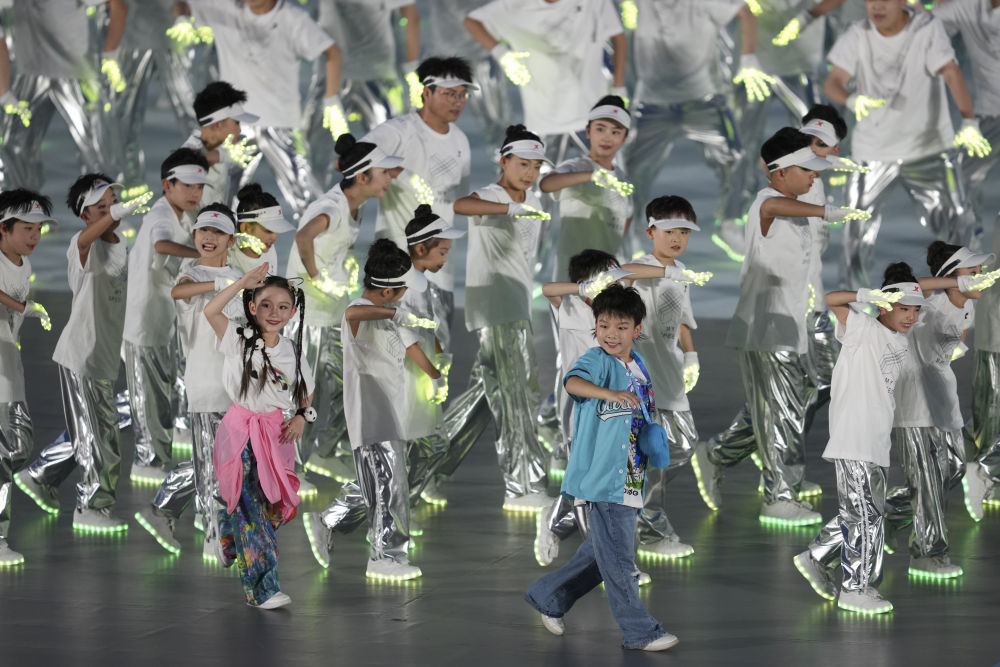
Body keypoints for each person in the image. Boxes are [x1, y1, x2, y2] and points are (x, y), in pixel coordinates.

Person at [693, 128, 865, 523]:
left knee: (784, 406)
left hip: (787, 323)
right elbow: (774, 207)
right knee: (785, 412)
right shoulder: (766, 203)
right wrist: (825, 212)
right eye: (807, 170)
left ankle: (719, 453)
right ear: (781, 171)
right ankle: (779, 496)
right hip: (769, 325)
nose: (814, 176)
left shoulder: (794, 207)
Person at [791, 263, 970, 613]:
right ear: (885, 305)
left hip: (876, 441)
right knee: (865, 517)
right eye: (904, 309)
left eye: (915, 310)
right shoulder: (863, 328)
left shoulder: (899, 340)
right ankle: (855, 588)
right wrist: (866, 296)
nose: (911, 316)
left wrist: (954, 284)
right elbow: (832, 299)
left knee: (867, 513)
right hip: (855, 437)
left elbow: (919, 291)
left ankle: (819, 557)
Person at [524, 284, 678, 652]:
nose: (611, 334)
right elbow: (573, 382)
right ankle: (640, 632)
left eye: (621, 327)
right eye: (604, 325)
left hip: (631, 476)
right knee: (621, 561)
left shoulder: (638, 364)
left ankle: (548, 596)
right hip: (604, 477)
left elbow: (640, 412)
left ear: (636, 330)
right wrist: (609, 393)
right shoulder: (597, 360)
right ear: (595, 327)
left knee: (600, 555)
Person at [824, 0, 991, 287]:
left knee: (958, 218)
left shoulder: (926, 28)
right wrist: (851, 99)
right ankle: (855, 299)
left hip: (928, 148)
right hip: (873, 150)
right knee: (855, 228)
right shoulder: (857, 34)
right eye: (871, 0)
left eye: (885, 0)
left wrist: (969, 121)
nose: (877, 7)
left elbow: (951, 71)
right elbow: (833, 81)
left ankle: (957, 290)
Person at [288, 134, 402, 485]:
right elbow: (303, 237)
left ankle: (325, 452)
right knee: (305, 391)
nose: (390, 178)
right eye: (384, 173)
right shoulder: (333, 206)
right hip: (309, 313)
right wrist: (317, 277)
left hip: (333, 309)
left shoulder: (357, 205)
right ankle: (291, 468)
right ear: (362, 176)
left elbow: (342, 246)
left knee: (345, 381)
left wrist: (346, 270)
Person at [134, 204, 244, 556]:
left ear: (231, 240)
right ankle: (214, 537)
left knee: (223, 462)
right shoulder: (191, 273)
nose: (209, 238)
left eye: (218, 232)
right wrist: (225, 284)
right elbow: (178, 292)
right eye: (203, 231)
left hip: (237, 386)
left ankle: (162, 510)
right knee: (213, 465)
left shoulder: (238, 275)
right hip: (206, 382)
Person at [452, 124, 551, 510]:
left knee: (485, 397)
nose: (530, 172)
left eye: (536, 166)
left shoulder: (535, 200)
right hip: (495, 307)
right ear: (503, 161)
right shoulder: (491, 196)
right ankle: (521, 486)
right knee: (515, 397)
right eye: (523, 164)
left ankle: (420, 467)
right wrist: (507, 208)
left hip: (516, 305)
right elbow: (462, 206)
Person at [205, 264, 315, 610]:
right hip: (241, 432)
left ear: (293, 312)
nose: (274, 312)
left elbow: (305, 391)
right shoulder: (237, 339)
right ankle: (263, 589)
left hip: (275, 435)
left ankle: (228, 532)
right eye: (265, 304)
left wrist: (302, 416)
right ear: (252, 306)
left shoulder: (292, 350)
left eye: (283, 306)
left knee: (276, 507)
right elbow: (211, 311)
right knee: (252, 509)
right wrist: (242, 283)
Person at [885, 241, 998, 575]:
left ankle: (889, 513)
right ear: (952, 276)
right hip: (914, 405)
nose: (980, 276)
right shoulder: (925, 305)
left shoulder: (968, 307)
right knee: (928, 481)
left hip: (943, 403)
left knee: (954, 469)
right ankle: (928, 554)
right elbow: (912, 286)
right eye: (972, 271)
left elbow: (950, 347)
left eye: (980, 271)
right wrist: (956, 283)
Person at [321, 239, 429, 580]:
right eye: (402, 291)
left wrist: (435, 374)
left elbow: (408, 347)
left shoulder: (387, 314)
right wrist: (394, 313)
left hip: (390, 413)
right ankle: (383, 556)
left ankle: (331, 521)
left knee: (387, 485)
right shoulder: (361, 309)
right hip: (370, 415)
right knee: (386, 487)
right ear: (387, 291)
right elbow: (352, 314)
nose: (404, 297)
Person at [176, 0, 342, 218]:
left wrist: (331, 100)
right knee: (223, 198)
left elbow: (332, 52)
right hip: (237, 125)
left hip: (281, 123)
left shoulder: (293, 19)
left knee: (306, 196)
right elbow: (184, 4)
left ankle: (325, 237)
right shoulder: (225, 8)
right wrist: (182, 20)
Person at [624, 0, 759, 262]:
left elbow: (746, 13)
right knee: (630, 170)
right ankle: (629, 232)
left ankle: (729, 222)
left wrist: (748, 60)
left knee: (736, 159)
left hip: (703, 100)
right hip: (653, 103)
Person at [623, 196, 714, 560]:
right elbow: (620, 273)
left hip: (672, 376)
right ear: (650, 232)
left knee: (684, 444)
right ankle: (649, 530)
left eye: (684, 233)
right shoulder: (642, 267)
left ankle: (632, 509)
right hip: (642, 379)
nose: (677, 239)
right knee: (655, 453)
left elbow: (682, 322)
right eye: (669, 231)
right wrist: (666, 273)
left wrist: (691, 355)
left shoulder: (682, 272)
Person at [361, 55, 474, 323]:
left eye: (462, 95)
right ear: (427, 92)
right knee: (394, 344)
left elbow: (459, 201)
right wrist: (403, 175)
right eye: (450, 94)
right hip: (395, 272)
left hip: (440, 272)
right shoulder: (399, 131)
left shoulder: (461, 140)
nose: (458, 101)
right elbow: (356, 155)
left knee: (438, 346)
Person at [122, 148, 208, 482]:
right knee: (145, 393)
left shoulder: (183, 215)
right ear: (166, 185)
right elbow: (161, 245)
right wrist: (199, 252)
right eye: (187, 186)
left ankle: (156, 455)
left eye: (199, 187)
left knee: (156, 389)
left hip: (160, 319)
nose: (194, 193)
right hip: (143, 320)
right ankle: (147, 461)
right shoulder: (160, 215)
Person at [465, 0, 626, 163]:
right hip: (544, 119)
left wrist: (619, 87)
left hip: (591, 113)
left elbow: (618, 37)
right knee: (536, 178)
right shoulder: (514, 5)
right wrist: (503, 55)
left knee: (612, 177)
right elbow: (472, 22)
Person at [2, 0, 127, 191]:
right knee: (15, 145)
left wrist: (110, 55)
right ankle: (22, 204)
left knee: (95, 146)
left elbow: (119, 7)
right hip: (33, 74)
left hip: (73, 73)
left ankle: (106, 203)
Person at [305, 0, 420, 188]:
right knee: (392, 155)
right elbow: (411, 17)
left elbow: (410, 16)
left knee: (313, 161)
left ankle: (314, 203)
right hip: (365, 73)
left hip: (352, 76)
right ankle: (406, 204)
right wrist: (411, 67)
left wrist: (411, 68)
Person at [0, 189, 55, 561]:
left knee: (18, 445)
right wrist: (23, 307)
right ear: (3, 228)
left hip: (9, 362)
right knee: (5, 453)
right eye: (26, 228)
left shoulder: (24, 263)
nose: (34, 236)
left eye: (39, 228)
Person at [541, 96, 633, 282]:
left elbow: (626, 219)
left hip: (609, 275)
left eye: (615, 132)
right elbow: (547, 184)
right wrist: (591, 176)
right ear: (588, 132)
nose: (607, 137)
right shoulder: (576, 167)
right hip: (574, 275)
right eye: (600, 129)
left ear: (624, 138)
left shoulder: (622, 178)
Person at [932, 0, 1000, 239]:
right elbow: (923, 22)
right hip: (990, 114)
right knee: (959, 175)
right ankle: (969, 241)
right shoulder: (968, 7)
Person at [182, 81, 261, 209]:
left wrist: (220, 156)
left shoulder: (219, 150)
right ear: (217, 125)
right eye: (236, 123)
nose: (239, 130)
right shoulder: (185, 159)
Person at [229, 184, 295, 275]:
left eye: (277, 229)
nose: (275, 237)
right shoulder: (225, 256)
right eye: (269, 230)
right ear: (246, 228)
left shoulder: (269, 250)